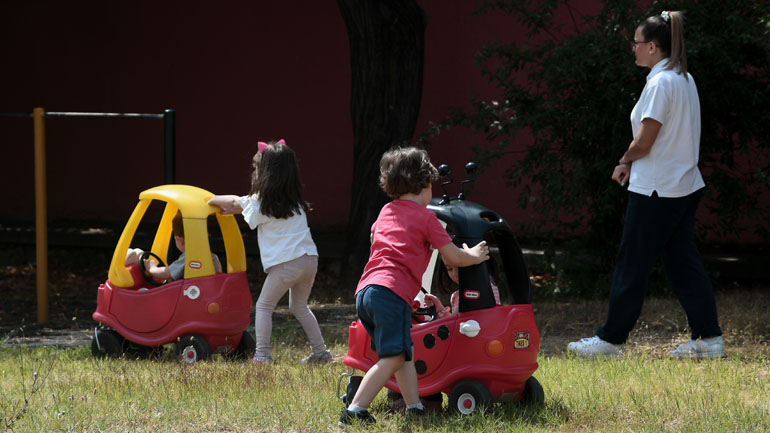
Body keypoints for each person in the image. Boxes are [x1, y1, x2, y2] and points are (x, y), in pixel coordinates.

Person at [568, 11, 724, 359]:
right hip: (682, 185)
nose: (633, 49)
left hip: (656, 189)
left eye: (637, 43)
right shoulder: (683, 78)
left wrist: (624, 161)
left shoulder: (660, 83)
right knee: (683, 263)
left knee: (631, 264)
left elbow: (644, 141)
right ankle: (709, 340)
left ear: (653, 47)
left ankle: (611, 340)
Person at [339, 146, 490, 426]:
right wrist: (475, 255)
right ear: (426, 184)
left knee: (403, 353)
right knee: (393, 357)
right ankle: (355, 410)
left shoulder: (386, 211)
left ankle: (414, 407)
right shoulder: (426, 218)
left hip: (366, 291)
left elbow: (376, 243)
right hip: (390, 294)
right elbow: (453, 256)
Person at [207, 139, 331, 365]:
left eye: (256, 168)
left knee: (264, 306)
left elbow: (235, 201)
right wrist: (234, 208)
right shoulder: (296, 203)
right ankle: (321, 353)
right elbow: (239, 206)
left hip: (287, 264)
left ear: (266, 173)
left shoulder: (262, 202)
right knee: (299, 306)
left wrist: (209, 200)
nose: (253, 172)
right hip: (309, 260)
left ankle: (262, 356)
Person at [127, 212, 223, 282]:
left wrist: (151, 269)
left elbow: (167, 273)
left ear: (179, 239)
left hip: (185, 297)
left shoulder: (189, 258)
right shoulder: (213, 257)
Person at [423, 256, 501, 319]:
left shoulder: (485, 286)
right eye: (450, 269)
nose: (455, 274)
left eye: (460, 267)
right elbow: (455, 325)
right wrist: (440, 310)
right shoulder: (456, 296)